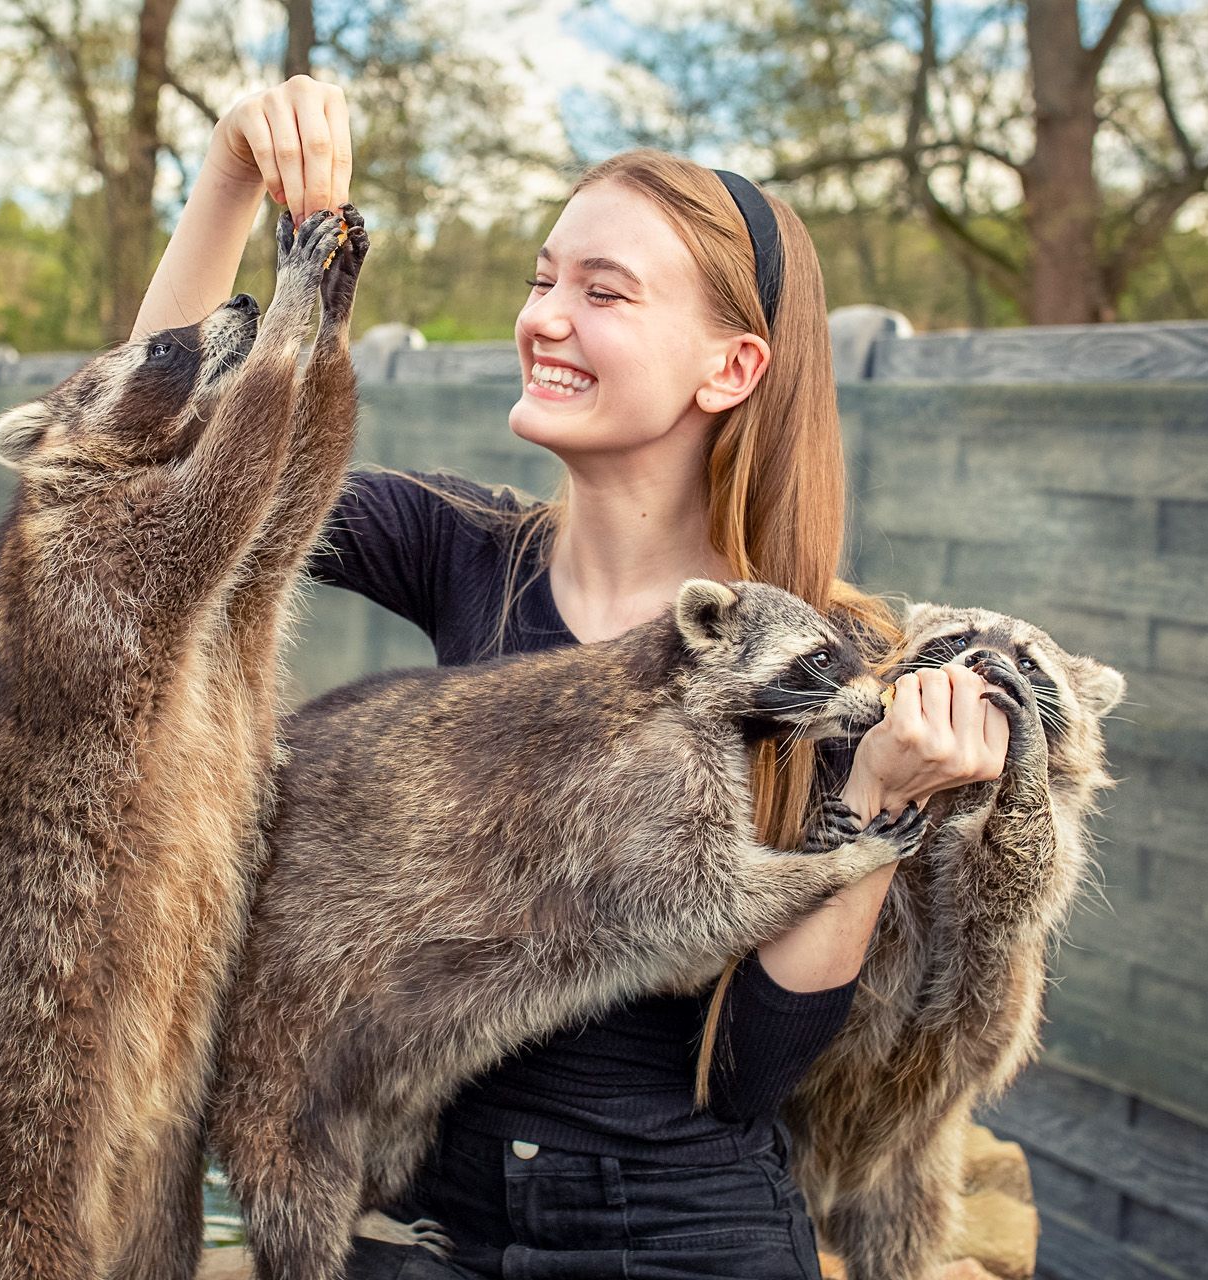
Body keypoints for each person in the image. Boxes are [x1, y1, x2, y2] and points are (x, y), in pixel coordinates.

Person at [133, 76, 1009, 1280]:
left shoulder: (820, 660)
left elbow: (751, 1075)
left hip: (680, 1236)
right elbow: (153, 462)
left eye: (603, 291)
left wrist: (883, 806)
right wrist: (232, 175)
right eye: (545, 277)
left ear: (731, 366)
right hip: (429, 1220)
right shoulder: (466, 552)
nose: (543, 316)